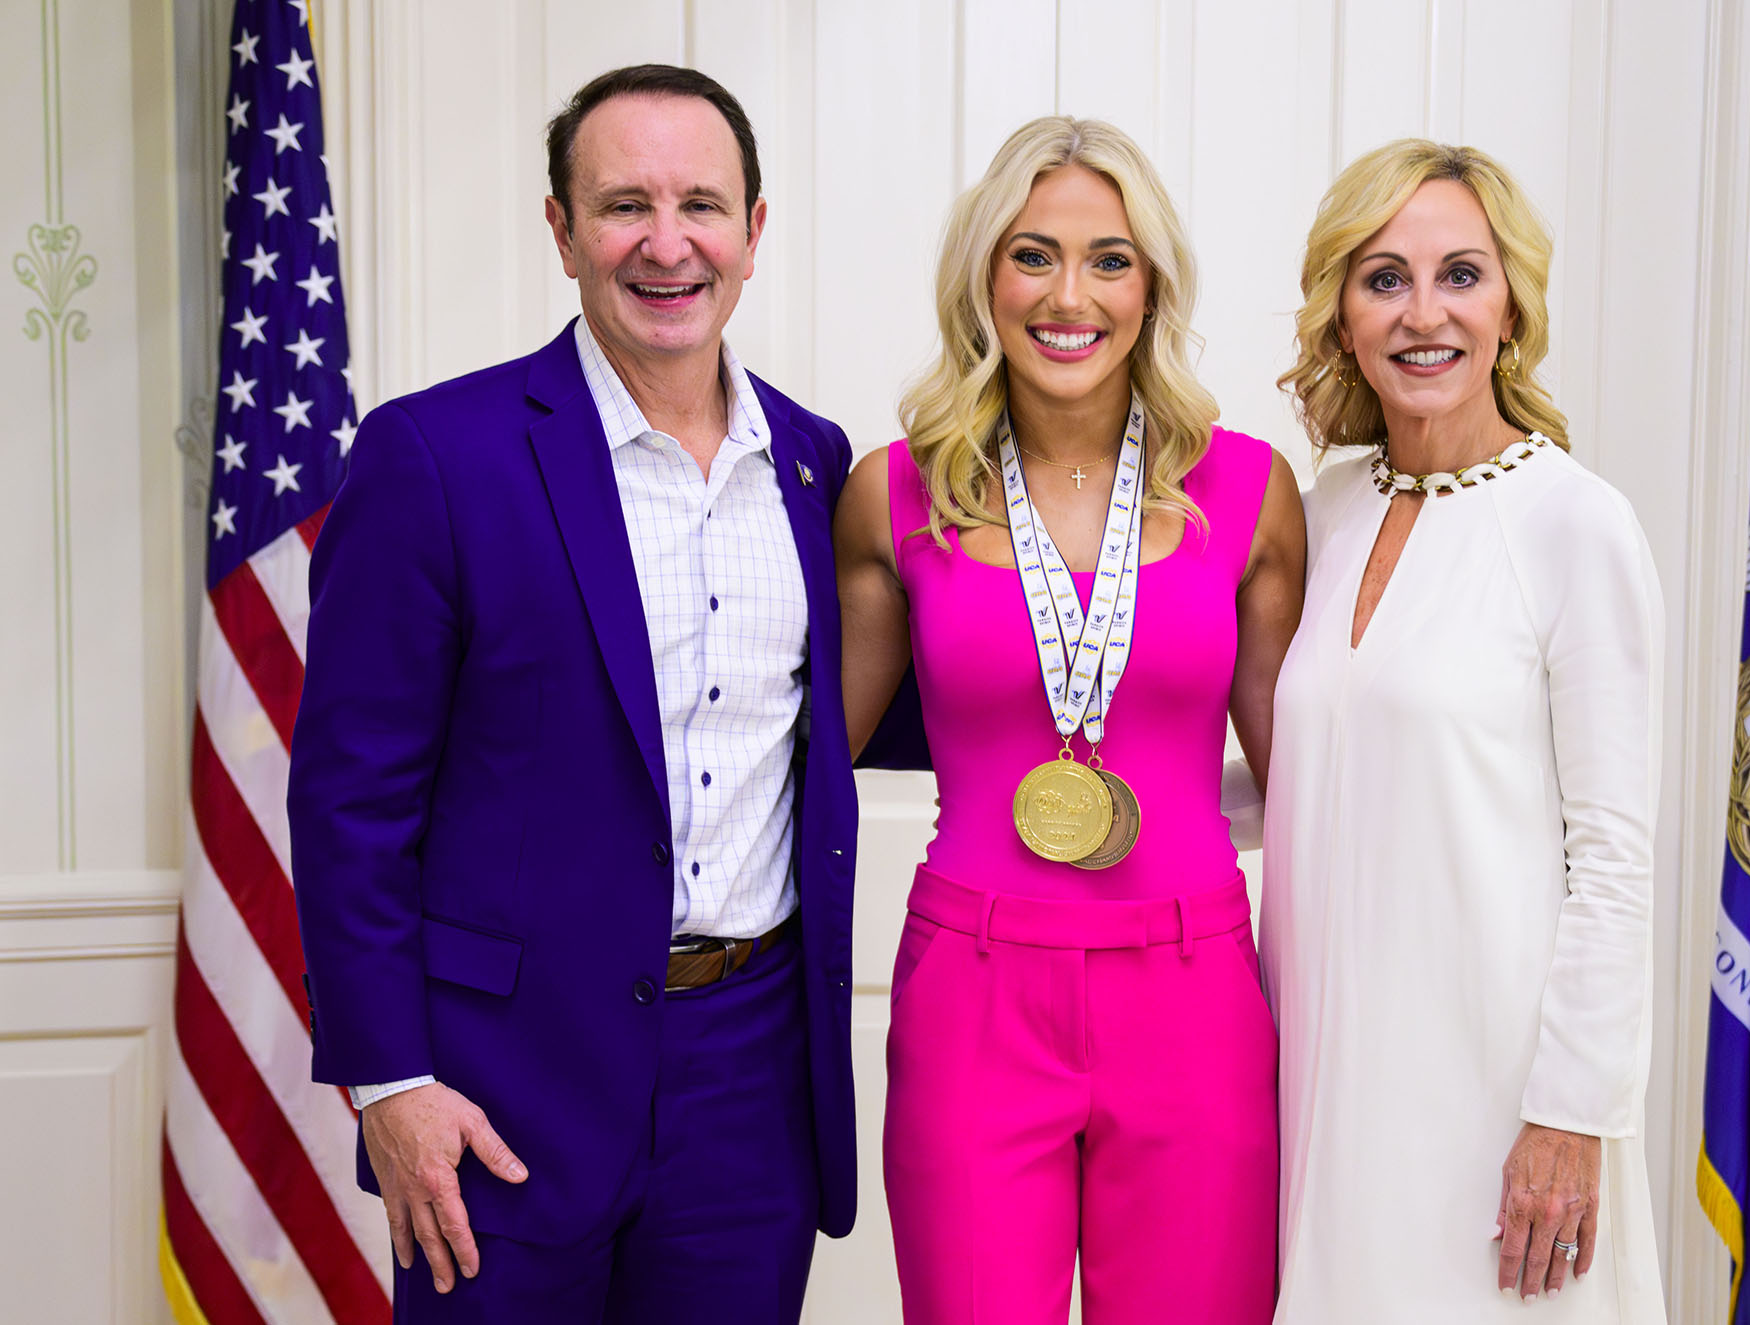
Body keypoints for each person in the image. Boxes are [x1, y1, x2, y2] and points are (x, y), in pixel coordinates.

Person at [290, 64, 863, 1323]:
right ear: (560, 229)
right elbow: (350, 800)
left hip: (751, 1083)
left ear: (754, 234)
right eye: (622, 206)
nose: (667, 244)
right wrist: (389, 1083)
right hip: (500, 1088)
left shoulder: (820, 468)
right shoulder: (433, 454)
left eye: (702, 205)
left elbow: (902, 712)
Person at [836, 116, 1306, 1324]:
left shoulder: (1248, 491)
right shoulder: (893, 493)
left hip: (1193, 987)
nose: (1069, 294)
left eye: (1109, 259)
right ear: (983, 276)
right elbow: (797, 764)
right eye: (1032, 254)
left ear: (1150, 286)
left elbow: (1309, 779)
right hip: (972, 988)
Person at [1259, 139, 1669, 1322]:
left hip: (1497, 1092)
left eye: (1459, 274)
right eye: (1383, 277)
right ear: (1340, 313)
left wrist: (1571, 1111)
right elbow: (1314, 770)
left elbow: (1612, 853)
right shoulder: (1329, 505)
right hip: (1333, 1074)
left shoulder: (1573, 524)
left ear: (1509, 305)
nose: (1421, 312)